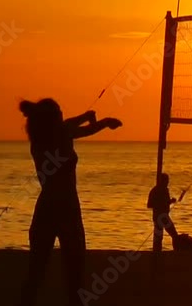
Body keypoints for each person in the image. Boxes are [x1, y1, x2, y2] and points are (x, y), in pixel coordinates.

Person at [18, 99, 122, 306]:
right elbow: (84, 131)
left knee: (37, 270)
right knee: (74, 269)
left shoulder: (39, 138)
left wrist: (85, 116)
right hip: (66, 207)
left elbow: (72, 125)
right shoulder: (62, 134)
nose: (63, 115)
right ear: (52, 119)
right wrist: (105, 122)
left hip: (46, 206)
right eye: (59, 112)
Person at [147, 173, 179, 252]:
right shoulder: (157, 190)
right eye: (166, 181)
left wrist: (169, 202)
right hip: (161, 217)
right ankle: (160, 252)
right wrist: (167, 202)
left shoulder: (163, 190)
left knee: (161, 236)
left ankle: (158, 252)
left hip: (161, 216)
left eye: (167, 181)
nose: (167, 182)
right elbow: (149, 205)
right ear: (162, 181)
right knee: (172, 234)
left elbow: (165, 202)